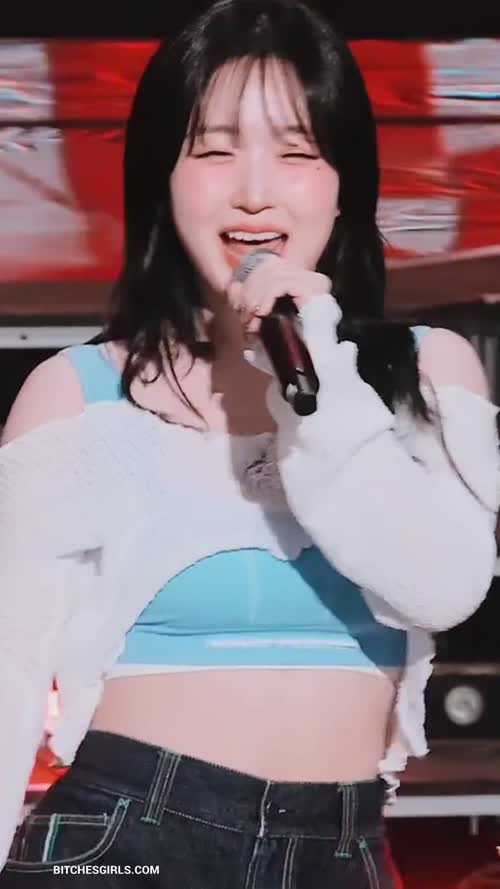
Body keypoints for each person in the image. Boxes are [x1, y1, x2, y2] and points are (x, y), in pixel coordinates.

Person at [0, 0, 498, 885]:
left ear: (345, 183)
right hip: (125, 839)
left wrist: (319, 373)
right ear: (163, 177)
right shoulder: (78, 396)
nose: (255, 190)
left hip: (341, 849)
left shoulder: (426, 375)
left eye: (298, 150)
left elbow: (442, 585)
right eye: (214, 149)